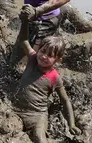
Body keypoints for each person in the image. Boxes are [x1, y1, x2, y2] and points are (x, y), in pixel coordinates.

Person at [12, 10, 81, 143]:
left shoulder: (55, 77)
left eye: (50, 55)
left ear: (58, 60)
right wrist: (25, 21)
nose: (44, 56)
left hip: (37, 115)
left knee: (40, 138)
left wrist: (71, 124)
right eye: (43, 51)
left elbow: (65, 100)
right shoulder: (32, 59)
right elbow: (24, 40)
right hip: (17, 110)